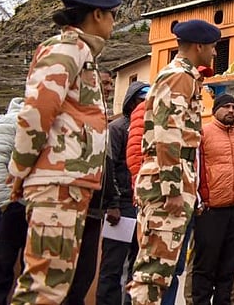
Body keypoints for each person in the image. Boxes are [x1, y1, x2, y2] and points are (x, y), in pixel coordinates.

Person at [8, 0, 120, 305]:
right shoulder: (65, 49)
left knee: (54, 284)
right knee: (43, 286)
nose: (114, 22)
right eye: (112, 15)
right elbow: (36, 114)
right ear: (96, 15)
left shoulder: (82, 54)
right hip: (56, 183)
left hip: (69, 184)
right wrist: (19, 171)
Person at [128, 19, 220, 305]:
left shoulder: (186, 76)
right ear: (199, 46)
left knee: (164, 271)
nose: (215, 53)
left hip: (176, 181)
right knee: (154, 273)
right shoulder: (179, 76)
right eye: (213, 47)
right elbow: (167, 135)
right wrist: (171, 189)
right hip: (166, 185)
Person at [192, 94, 234, 304]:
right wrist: (202, 199)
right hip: (210, 210)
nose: (231, 110)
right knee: (205, 267)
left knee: (229, 267)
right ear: (215, 109)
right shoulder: (203, 134)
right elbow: (195, 168)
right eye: (226, 106)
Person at [97, 82, 148, 305]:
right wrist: (113, 203)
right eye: (141, 98)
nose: (145, 103)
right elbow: (109, 167)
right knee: (112, 265)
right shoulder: (117, 128)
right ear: (131, 101)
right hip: (121, 205)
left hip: (141, 204)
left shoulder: (151, 128)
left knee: (138, 264)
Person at [0, 98, 25, 304]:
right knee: (3, 265)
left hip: (31, 205)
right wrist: (6, 202)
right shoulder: (10, 123)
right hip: (11, 206)